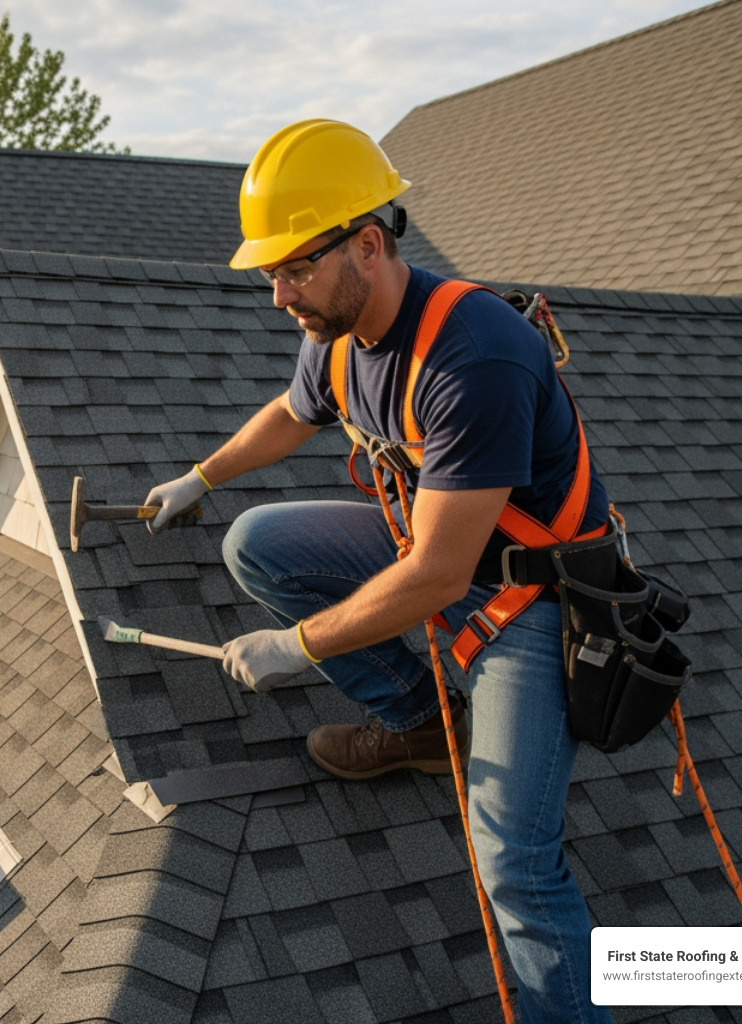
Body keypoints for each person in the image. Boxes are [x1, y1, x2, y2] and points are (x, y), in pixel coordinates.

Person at [143, 119, 613, 1024]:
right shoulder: (339, 329)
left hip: (531, 599)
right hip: (437, 548)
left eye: (293, 270)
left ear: (368, 242)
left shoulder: (471, 356)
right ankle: (421, 725)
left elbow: (439, 576)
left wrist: (300, 644)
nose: (280, 296)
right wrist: (201, 478)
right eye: (271, 274)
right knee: (257, 544)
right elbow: (292, 411)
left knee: (514, 857)